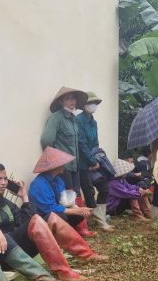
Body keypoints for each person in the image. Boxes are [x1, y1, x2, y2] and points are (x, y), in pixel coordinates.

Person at [0, 161, 90, 281]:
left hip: (14, 250)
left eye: (5, 179)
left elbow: (24, 223)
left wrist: (24, 197)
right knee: (37, 221)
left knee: (51, 217)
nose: (3, 183)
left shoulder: (5, 202)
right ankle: (64, 272)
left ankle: (85, 254)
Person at [28, 147, 109, 262]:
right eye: (62, 163)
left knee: (78, 214)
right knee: (62, 216)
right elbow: (49, 209)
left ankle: (62, 240)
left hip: (54, 213)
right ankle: (83, 252)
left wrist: (80, 209)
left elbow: (65, 199)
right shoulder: (39, 184)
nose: (65, 165)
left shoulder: (58, 179)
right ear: (55, 166)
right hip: (43, 218)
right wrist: (77, 210)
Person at [41, 87, 96, 237]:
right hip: (62, 167)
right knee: (65, 196)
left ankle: (80, 227)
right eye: (68, 98)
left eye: (73, 98)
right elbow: (46, 139)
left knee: (75, 194)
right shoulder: (57, 118)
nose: (72, 101)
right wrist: (54, 161)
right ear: (60, 101)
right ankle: (73, 229)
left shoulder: (73, 119)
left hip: (75, 164)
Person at [76, 91, 113, 233]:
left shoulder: (94, 122)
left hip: (94, 161)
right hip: (83, 163)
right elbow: (82, 143)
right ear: (83, 105)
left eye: (95, 103)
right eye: (90, 103)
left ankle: (101, 219)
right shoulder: (78, 120)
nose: (93, 105)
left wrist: (96, 160)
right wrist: (91, 162)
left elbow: (95, 143)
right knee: (89, 192)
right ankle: (98, 222)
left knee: (104, 188)